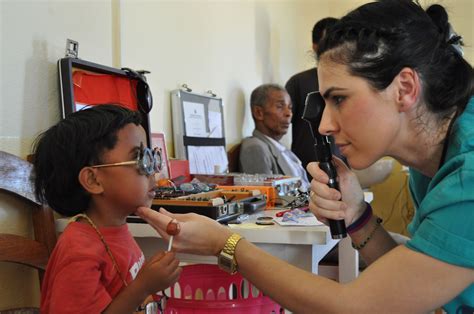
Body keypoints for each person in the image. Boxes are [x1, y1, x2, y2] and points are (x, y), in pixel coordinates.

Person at [137, 1, 474, 312]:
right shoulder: (432, 161)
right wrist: (356, 215)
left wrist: (226, 243)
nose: (325, 124)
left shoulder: (467, 175)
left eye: (339, 99)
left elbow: (356, 306)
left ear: (404, 88)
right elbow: (410, 286)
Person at [32, 105, 181, 313]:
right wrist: (144, 286)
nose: (153, 170)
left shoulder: (115, 227)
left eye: (151, 156)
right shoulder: (79, 251)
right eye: (140, 159)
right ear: (93, 180)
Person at [285, 17, 338, 177]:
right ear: (315, 47)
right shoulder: (298, 83)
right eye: (327, 43)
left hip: (341, 163)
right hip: (307, 168)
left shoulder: (354, 83)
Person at [239, 83, 310, 189]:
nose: (289, 113)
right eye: (280, 107)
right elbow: (264, 197)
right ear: (259, 113)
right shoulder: (255, 148)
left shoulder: (280, 146)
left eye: (290, 107)